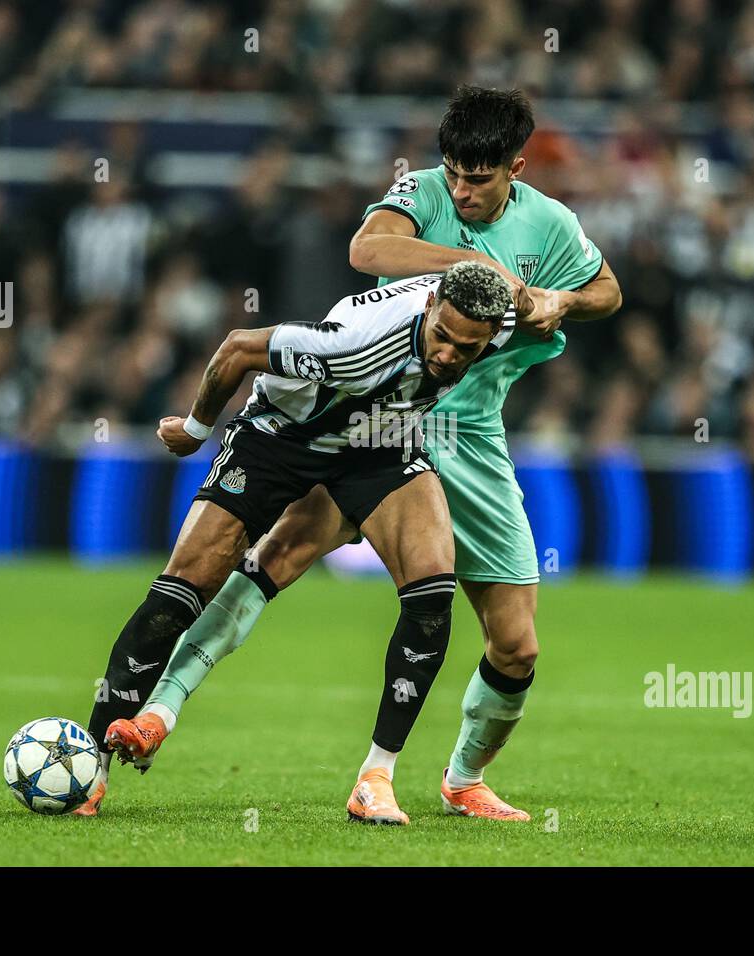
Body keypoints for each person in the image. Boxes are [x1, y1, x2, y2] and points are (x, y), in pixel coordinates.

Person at [86, 86, 622, 823]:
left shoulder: (551, 224)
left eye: (479, 178)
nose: (461, 189)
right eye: (454, 173)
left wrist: (562, 302)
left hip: (473, 435)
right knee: (267, 564)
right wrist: (473, 267)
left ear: (516, 169)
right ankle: (158, 712)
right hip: (378, 421)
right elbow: (366, 249)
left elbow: (606, 291)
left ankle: (463, 780)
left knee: (517, 645)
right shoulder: (423, 195)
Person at [87, 262, 514, 824]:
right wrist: (194, 429)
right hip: (279, 440)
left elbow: (545, 304)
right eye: (442, 338)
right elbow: (239, 348)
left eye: (468, 348)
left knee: (432, 594)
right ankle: (91, 764)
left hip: (379, 442)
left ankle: (375, 778)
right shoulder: (358, 347)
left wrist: (562, 302)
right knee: (181, 590)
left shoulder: (500, 318)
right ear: (430, 305)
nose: (450, 357)